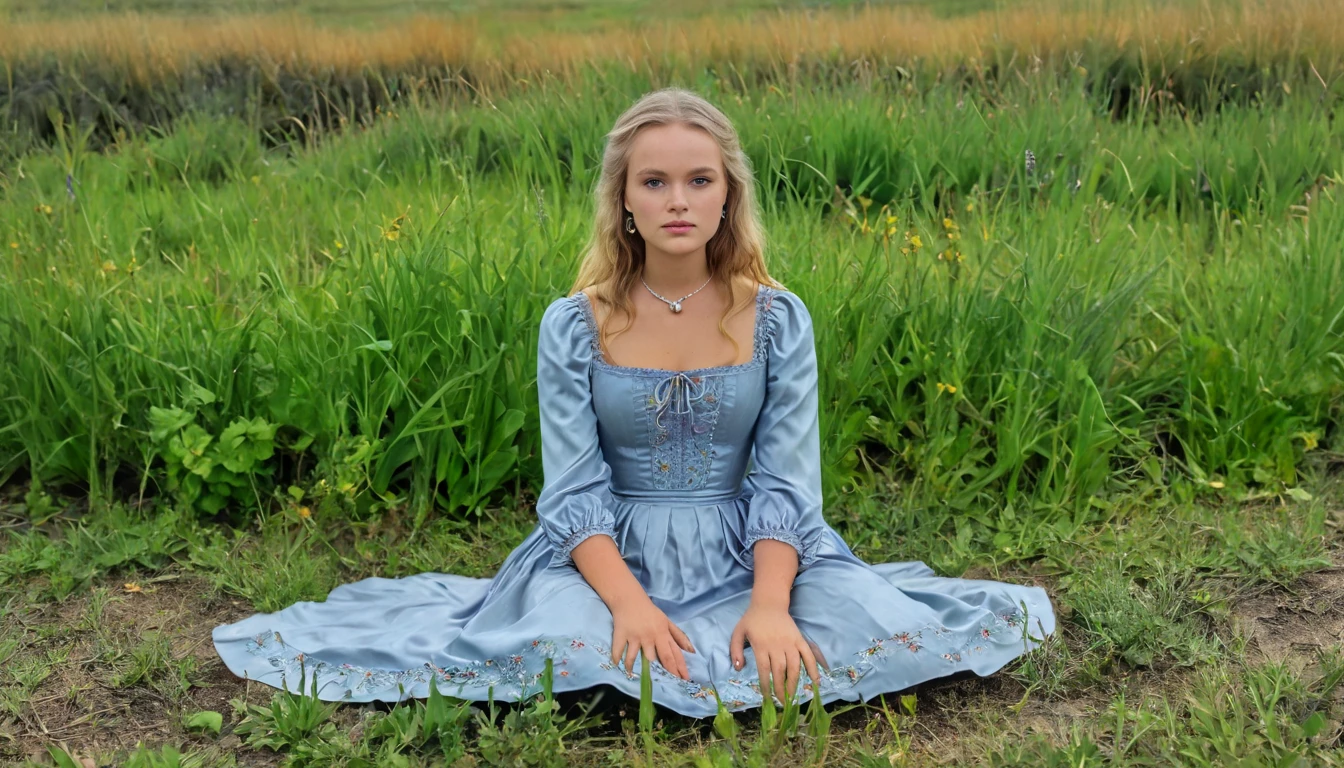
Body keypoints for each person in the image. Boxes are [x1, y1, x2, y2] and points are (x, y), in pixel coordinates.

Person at [212, 87, 1056, 718]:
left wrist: (768, 605)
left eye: (699, 180)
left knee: (849, 624)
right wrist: (631, 605)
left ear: (729, 194)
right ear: (624, 198)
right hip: (611, 551)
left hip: (753, 546)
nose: (678, 201)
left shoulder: (777, 317)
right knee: (569, 646)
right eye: (655, 182)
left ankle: (758, 616)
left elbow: (788, 483)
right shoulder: (574, 325)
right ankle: (610, 631)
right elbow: (572, 493)